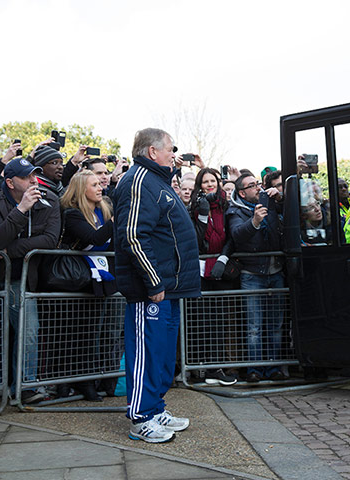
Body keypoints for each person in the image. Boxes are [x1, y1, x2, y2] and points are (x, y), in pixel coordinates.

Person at [111, 127, 200, 443]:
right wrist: (153, 280)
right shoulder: (138, 180)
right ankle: (142, 416)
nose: (174, 154)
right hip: (152, 288)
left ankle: (156, 407)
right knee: (147, 351)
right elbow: (134, 236)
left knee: (162, 352)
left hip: (169, 287)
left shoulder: (157, 182)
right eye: (170, 149)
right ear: (152, 151)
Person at [0, 157, 61, 405]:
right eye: (26, 177)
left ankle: (25, 386)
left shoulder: (49, 200)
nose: (33, 181)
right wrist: (21, 210)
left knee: (28, 330)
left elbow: (50, 240)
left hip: (20, 277)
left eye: (34, 175)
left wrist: (9, 248)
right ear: (10, 182)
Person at [56, 170, 116, 401]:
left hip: (102, 279)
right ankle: (66, 383)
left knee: (94, 333)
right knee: (72, 334)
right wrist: (114, 222)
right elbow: (95, 238)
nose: (100, 187)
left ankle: (89, 381)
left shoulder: (103, 210)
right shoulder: (72, 214)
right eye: (94, 184)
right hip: (76, 279)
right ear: (82, 190)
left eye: (100, 184)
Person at [226, 174, 284, 383]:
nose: (258, 189)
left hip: (275, 271)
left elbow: (292, 213)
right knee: (254, 327)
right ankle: (255, 369)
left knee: (275, 325)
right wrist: (255, 221)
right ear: (242, 192)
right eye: (252, 186)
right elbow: (237, 235)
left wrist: (280, 198)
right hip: (252, 275)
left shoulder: (268, 201)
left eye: (258, 184)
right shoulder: (235, 210)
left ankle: (274, 367)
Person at [188, 168, 238, 386]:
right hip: (198, 270)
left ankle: (216, 367)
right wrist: (201, 215)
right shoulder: (194, 208)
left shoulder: (226, 207)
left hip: (219, 268)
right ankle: (200, 368)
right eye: (205, 181)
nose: (210, 184)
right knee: (200, 320)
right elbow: (196, 241)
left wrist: (223, 259)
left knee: (218, 320)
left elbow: (231, 236)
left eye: (213, 181)